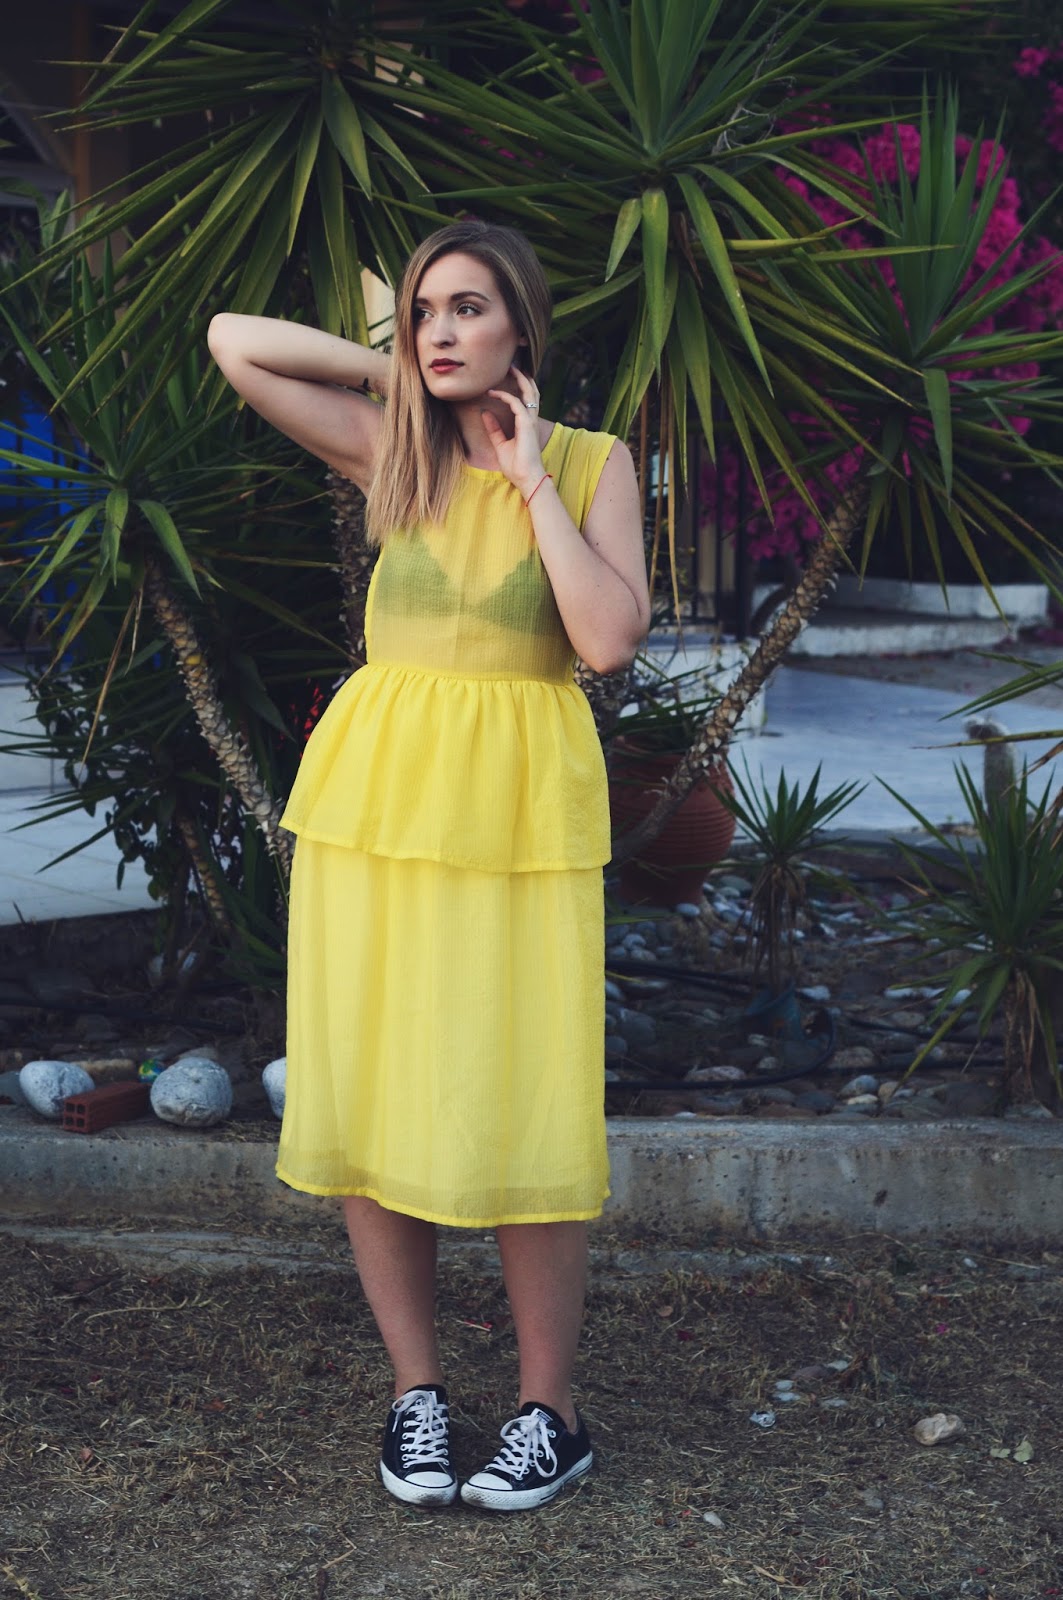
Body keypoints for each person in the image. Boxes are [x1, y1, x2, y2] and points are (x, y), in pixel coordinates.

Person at [207, 220, 650, 1513]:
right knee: (377, 1092)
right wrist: (395, 375)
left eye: (467, 309)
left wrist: (532, 481)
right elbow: (235, 344)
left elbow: (608, 639)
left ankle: (548, 1414)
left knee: (526, 1095)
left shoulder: (593, 461)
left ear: (523, 325)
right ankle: (417, 1395)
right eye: (422, 313)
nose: (441, 332)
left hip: (518, 822)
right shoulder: (390, 448)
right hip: (378, 812)